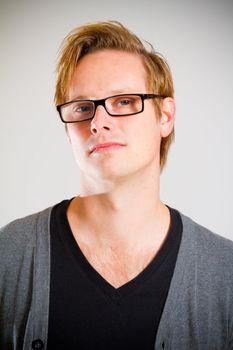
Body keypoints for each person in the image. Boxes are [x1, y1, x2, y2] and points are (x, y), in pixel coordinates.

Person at [0, 20, 233, 350]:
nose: (97, 123)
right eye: (82, 107)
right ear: (68, 131)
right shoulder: (8, 254)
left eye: (124, 101)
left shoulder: (225, 273)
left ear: (165, 117)